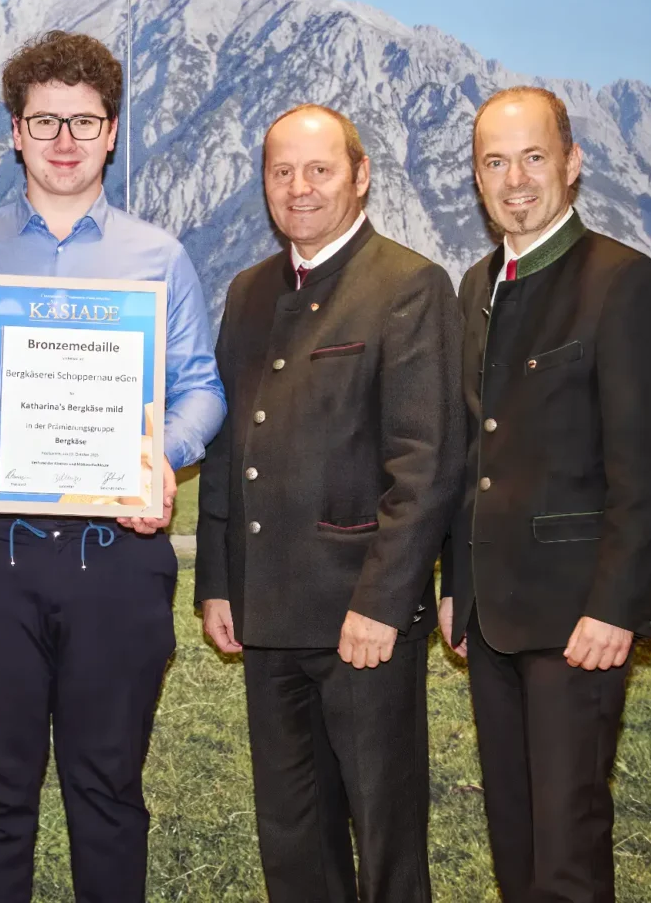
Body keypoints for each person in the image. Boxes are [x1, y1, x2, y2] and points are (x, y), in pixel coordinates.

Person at [0, 30, 225, 903]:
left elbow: (203, 390)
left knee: (108, 795)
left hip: (117, 556)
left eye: (84, 121)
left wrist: (162, 457)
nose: (64, 140)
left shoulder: (159, 258)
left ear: (112, 133)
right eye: (44, 122)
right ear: (16, 134)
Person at [196, 104, 463, 903]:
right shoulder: (247, 293)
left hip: (362, 621)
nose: (300, 188)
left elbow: (427, 463)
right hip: (267, 613)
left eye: (319, 170)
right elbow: (225, 445)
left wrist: (383, 603)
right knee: (292, 839)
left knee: (385, 838)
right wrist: (217, 580)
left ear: (360, 175)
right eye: (282, 172)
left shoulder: (409, 286)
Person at [439, 86, 651, 902]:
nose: (514, 180)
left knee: (568, 847)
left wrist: (619, 607)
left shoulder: (623, 281)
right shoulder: (478, 285)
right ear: (477, 179)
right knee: (514, 836)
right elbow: (474, 454)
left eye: (533, 157)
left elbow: (647, 471)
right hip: (492, 618)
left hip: (580, 616)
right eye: (494, 162)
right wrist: (458, 588)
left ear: (572, 165)